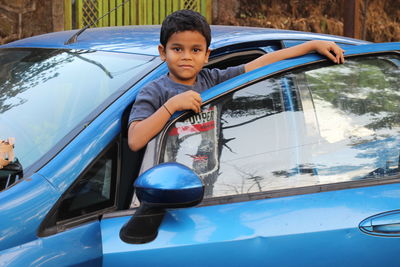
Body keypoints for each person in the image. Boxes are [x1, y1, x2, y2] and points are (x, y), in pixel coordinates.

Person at [128, 9, 344, 152]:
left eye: (195, 50)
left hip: (211, 180)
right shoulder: (154, 91)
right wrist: (171, 106)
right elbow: (135, 141)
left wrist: (311, 45)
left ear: (206, 55)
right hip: (165, 188)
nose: (186, 56)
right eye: (177, 49)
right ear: (163, 52)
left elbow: (260, 64)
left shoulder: (212, 80)